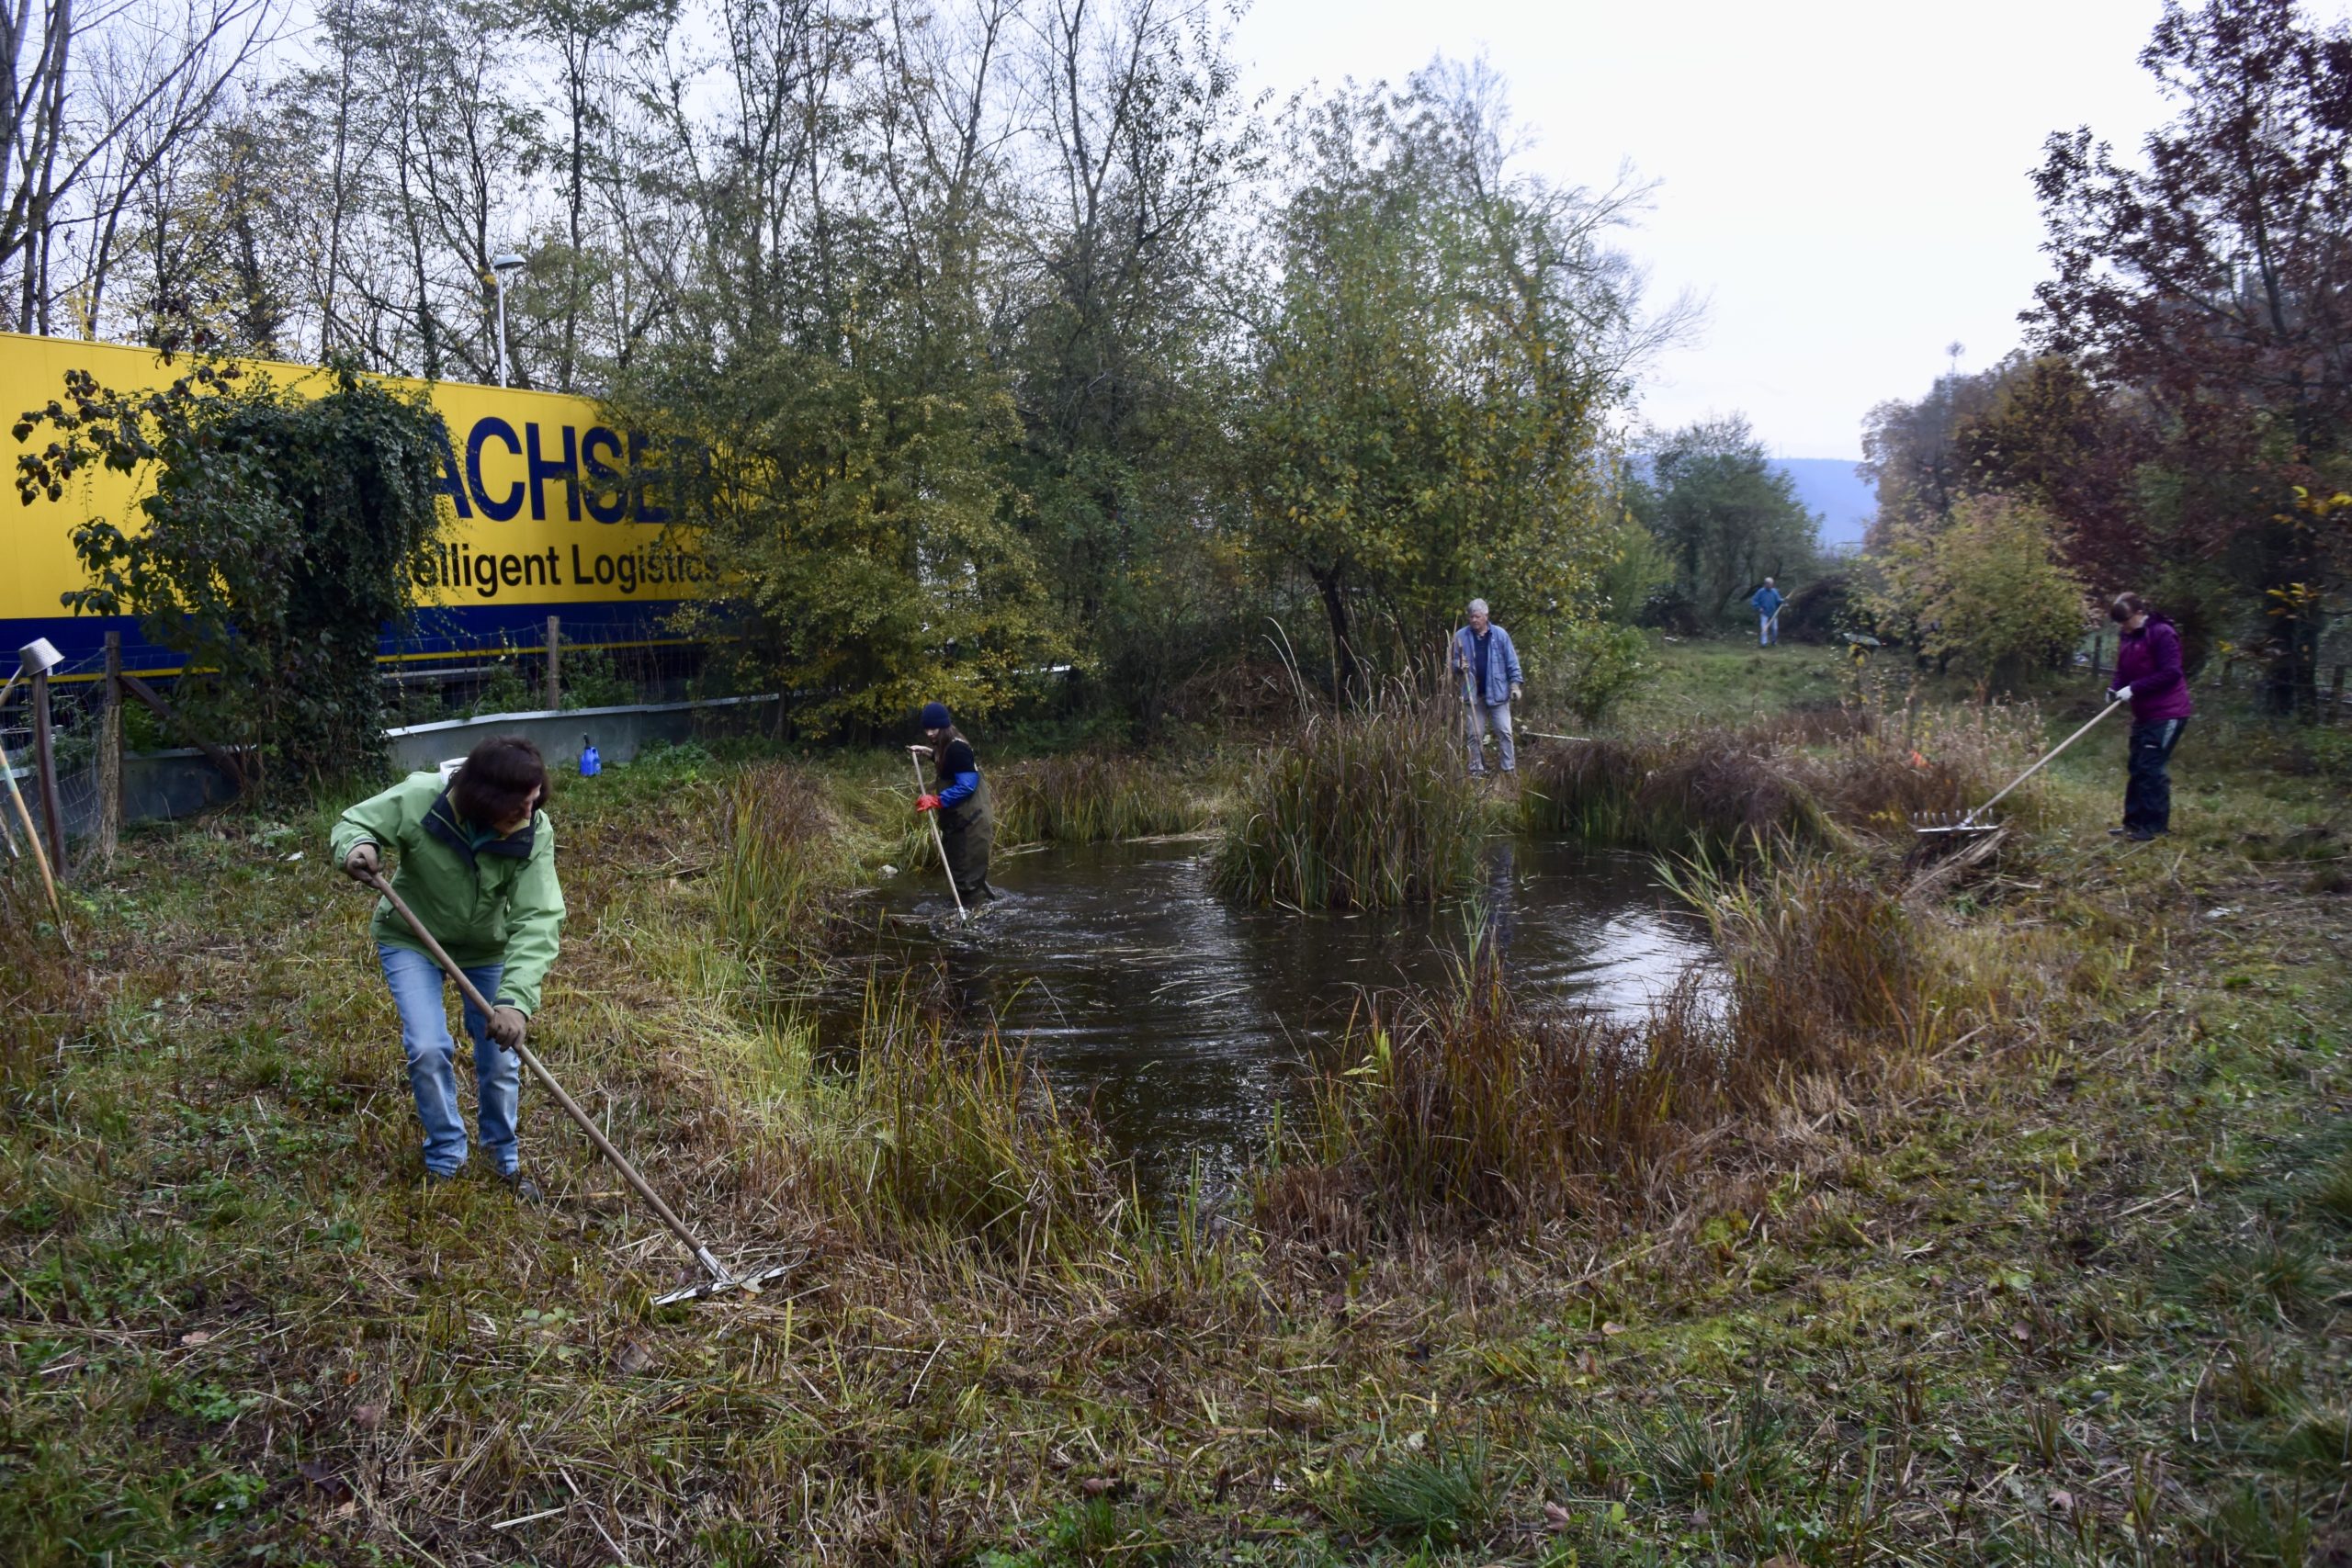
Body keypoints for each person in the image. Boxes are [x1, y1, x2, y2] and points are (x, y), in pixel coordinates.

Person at [331, 736, 565, 1195]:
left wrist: (514, 1003)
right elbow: (356, 821)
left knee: (500, 1055)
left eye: (534, 803)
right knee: (428, 1046)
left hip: (486, 949)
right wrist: (357, 846)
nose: (527, 815)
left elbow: (538, 918)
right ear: (482, 799)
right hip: (412, 938)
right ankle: (446, 1156)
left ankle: (502, 1155)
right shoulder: (423, 797)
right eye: (517, 806)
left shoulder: (534, 831)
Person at [2107, 592, 2193, 841]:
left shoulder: (2162, 633)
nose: (2123, 627)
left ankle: (2155, 828)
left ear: (2138, 613)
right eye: (2120, 623)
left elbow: (2171, 673)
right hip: (2144, 714)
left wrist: (2134, 688)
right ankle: (2133, 823)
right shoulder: (2128, 636)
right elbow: (2122, 670)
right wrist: (2115, 688)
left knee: (2151, 767)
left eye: (2126, 621)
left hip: (2168, 712)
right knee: (2136, 766)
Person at [913, 701, 997, 904]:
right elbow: (949, 764)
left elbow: (967, 785)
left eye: (934, 728)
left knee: (965, 879)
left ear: (944, 726)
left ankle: (972, 922)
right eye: (927, 728)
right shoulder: (947, 745)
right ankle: (980, 904)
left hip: (972, 823)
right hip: (960, 821)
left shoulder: (958, 749)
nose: (930, 733)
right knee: (962, 871)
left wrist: (937, 800)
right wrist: (927, 752)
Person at [1449, 599, 1524, 777]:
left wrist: (1515, 685)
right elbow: (1451, 662)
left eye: (1477, 616)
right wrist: (1458, 664)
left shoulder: (1500, 635)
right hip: (1473, 694)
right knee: (1474, 734)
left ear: (1486, 616)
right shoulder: (1461, 636)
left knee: (1505, 732)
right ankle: (1476, 770)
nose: (1474, 620)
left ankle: (1509, 770)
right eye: (1471, 616)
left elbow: (1512, 662)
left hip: (1498, 694)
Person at [1750, 578, 1784, 646]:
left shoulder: (1774, 591)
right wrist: (1758, 607)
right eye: (1769, 584)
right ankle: (1764, 643)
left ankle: (1774, 641)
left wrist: (1784, 600)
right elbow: (1754, 601)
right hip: (1764, 613)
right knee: (1764, 628)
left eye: (1772, 584)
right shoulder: (1760, 592)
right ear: (1765, 584)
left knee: (1775, 629)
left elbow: (1778, 600)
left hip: (1773, 613)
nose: (1770, 585)